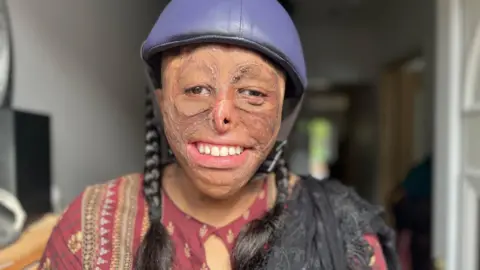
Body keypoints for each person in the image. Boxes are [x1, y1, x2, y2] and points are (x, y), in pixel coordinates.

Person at [38, 0, 399, 269]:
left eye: (253, 93)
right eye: (196, 88)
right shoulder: (93, 220)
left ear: (284, 113)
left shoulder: (342, 231)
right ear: (162, 102)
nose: (221, 114)